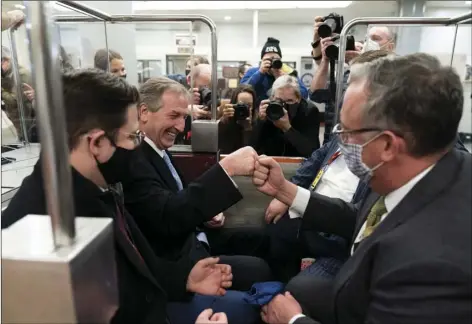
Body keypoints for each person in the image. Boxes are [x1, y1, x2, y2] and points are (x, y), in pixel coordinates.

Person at [1, 69, 260, 324]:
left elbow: (134, 267)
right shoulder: (43, 230)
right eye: (132, 137)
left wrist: (184, 279)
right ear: (97, 144)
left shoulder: (94, 188)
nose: (137, 147)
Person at [252, 53, 471, 323]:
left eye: (346, 132)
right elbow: (359, 218)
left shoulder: (430, 266)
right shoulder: (412, 168)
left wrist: (294, 321)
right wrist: (285, 190)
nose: (340, 143)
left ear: (388, 145)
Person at [122, 76, 272, 291]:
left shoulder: (160, 151)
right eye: (174, 116)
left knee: (263, 238)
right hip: (179, 257)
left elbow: (177, 197)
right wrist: (226, 168)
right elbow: (167, 217)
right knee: (258, 269)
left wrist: (205, 216)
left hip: (195, 237)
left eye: (184, 117)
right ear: (144, 112)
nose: (181, 127)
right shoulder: (135, 159)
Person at [311, 24, 396, 144]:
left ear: (390, 46)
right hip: (333, 143)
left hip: (368, 144)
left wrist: (364, 63)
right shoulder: (344, 73)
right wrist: (326, 60)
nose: (368, 42)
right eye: (367, 39)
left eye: (376, 38)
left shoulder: (397, 76)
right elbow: (316, 95)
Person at [251, 75, 320, 158]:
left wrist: (287, 128)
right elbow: (253, 147)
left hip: (298, 162)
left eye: (289, 101)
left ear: (298, 98)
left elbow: (311, 151)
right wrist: (260, 121)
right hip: (271, 159)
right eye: (279, 101)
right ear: (272, 98)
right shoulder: (269, 108)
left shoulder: (308, 111)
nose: (284, 106)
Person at [241, 37, 309, 107]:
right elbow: (242, 90)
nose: (272, 63)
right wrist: (260, 73)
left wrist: (284, 81)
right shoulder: (253, 72)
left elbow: (304, 95)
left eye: (276, 60)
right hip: (258, 113)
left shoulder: (288, 73)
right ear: (262, 60)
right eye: (268, 59)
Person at [218, 84, 256, 154]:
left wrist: (248, 129)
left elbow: (252, 154)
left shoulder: (257, 126)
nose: (244, 109)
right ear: (233, 105)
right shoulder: (227, 122)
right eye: (241, 105)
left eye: (249, 105)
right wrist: (224, 122)